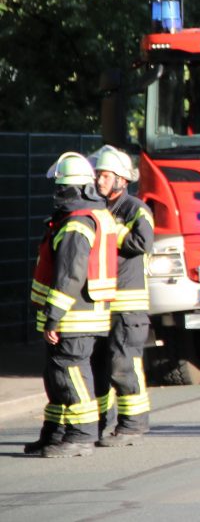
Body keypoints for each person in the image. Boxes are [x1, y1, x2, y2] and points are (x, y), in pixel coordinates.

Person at [25, 152, 119, 458]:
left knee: (71, 374)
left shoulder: (77, 225)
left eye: (61, 187)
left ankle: (81, 435)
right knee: (58, 376)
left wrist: (53, 317)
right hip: (80, 314)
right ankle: (55, 433)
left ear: (73, 189)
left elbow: (69, 276)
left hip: (74, 316)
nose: (57, 194)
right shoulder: (90, 216)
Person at [91, 145, 155, 447]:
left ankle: (132, 425)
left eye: (105, 175)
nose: (100, 181)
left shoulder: (135, 209)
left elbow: (142, 242)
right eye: (98, 175)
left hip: (128, 303)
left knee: (123, 363)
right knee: (99, 365)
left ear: (121, 179)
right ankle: (99, 424)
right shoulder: (98, 207)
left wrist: (110, 229)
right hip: (99, 302)